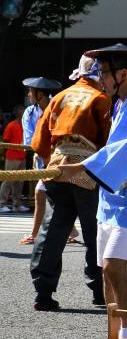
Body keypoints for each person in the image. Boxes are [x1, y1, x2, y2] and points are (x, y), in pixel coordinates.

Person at [55, 44, 127, 339]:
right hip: (109, 198)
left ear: (122, 74)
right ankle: (114, 335)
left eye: (103, 72)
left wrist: (78, 167)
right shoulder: (123, 102)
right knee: (105, 271)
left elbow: (124, 150)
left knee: (114, 266)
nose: (99, 78)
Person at [30, 54, 113, 311]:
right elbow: (108, 141)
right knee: (94, 231)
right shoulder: (100, 99)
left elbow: (39, 141)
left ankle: (43, 292)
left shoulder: (59, 97)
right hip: (87, 171)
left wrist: (53, 162)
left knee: (53, 229)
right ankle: (99, 291)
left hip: (57, 169)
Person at [19, 77, 59, 245]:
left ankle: (35, 235)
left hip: (59, 159)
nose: (28, 94)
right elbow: (30, 140)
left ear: (40, 94)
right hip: (42, 160)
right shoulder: (29, 113)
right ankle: (72, 231)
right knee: (54, 197)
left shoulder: (58, 107)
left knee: (42, 193)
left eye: (31, 91)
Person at [1, 104, 27, 212]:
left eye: (24, 110)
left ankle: (17, 204)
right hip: (12, 157)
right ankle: (1, 204)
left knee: (20, 182)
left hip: (22, 157)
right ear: (16, 112)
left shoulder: (25, 125)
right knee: (8, 180)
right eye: (21, 110)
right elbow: (5, 141)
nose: (24, 111)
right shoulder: (11, 125)